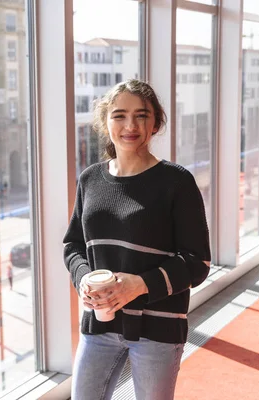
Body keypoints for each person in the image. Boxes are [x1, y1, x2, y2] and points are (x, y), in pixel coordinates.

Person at [63, 79, 211, 400]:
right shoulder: (90, 179)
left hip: (158, 331)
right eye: (119, 115)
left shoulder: (177, 182)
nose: (130, 125)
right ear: (105, 122)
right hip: (99, 325)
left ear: (155, 122)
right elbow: (73, 245)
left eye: (141, 115)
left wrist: (140, 285)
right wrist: (83, 279)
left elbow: (198, 263)